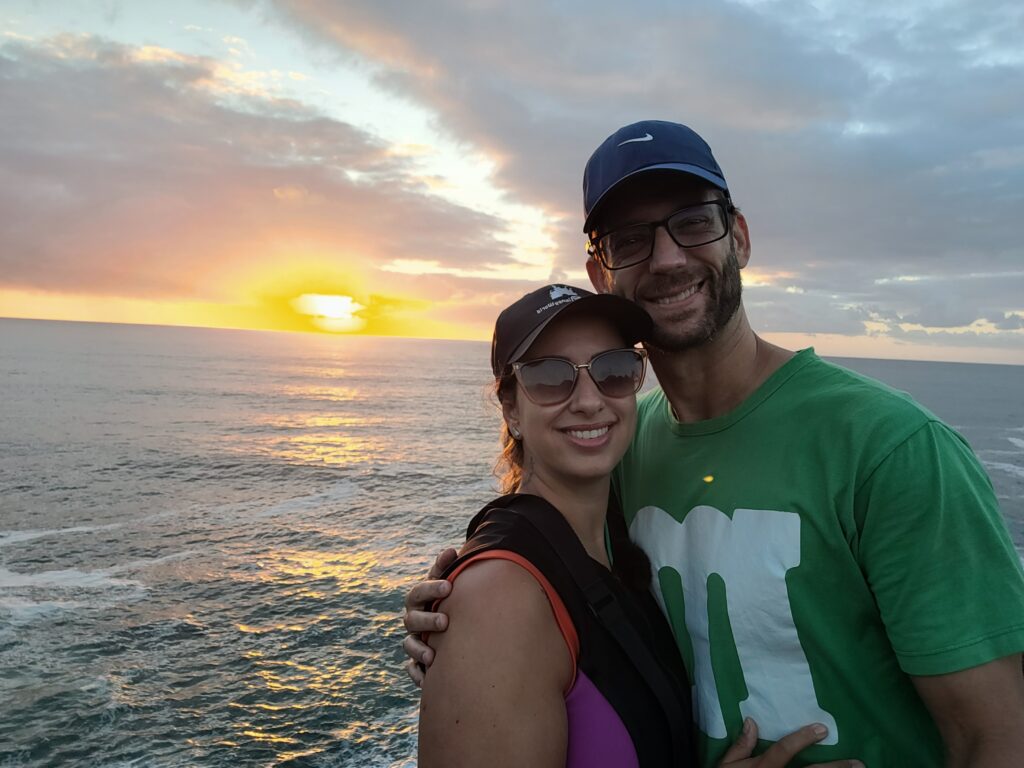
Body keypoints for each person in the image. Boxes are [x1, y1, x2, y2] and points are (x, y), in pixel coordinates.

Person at [406, 121, 1024, 767]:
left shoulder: (891, 448)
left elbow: (998, 738)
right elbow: (548, 572)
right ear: (601, 272)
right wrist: (464, 618)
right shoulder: (621, 447)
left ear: (740, 238)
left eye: (694, 223)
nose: (668, 258)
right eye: (631, 239)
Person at [418, 284, 858, 768]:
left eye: (613, 369)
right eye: (549, 376)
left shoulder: (616, 532)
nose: (589, 400)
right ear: (510, 408)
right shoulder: (498, 598)